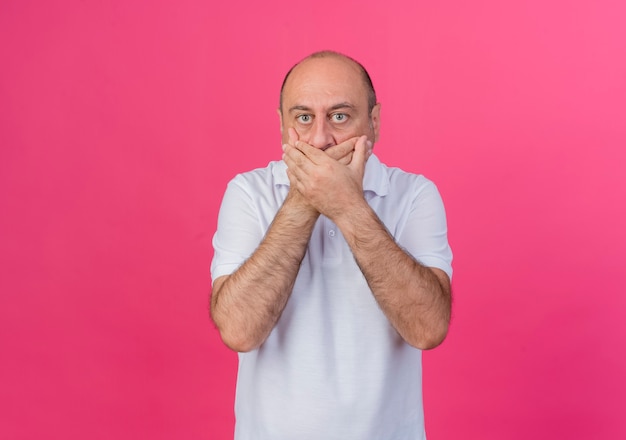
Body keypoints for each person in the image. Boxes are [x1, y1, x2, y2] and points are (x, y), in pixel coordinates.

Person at [210, 50, 453, 439]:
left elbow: (427, 329)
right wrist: (305, 201)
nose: (321, 139)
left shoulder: (414, 195)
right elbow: (239, 331)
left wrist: (348, 207)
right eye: (304, 118)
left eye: (340, 116)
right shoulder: (248, 193)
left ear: (373, 122)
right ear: (282, 125)